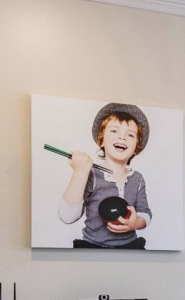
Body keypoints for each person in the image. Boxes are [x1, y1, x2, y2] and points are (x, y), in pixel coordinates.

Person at [57, 102, 153, 248]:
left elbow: (145, 213)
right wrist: (80, 172)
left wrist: (136, 223)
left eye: (130, 134)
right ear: (101, 140)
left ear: (136, 148)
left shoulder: (138, 179)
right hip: (93, 246)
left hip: (130, 247)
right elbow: (67, 216)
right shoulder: (91, 174)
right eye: (114, 131)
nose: (122, 137)